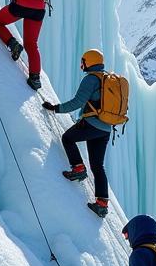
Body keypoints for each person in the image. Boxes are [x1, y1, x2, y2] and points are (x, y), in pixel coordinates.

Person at [40, 49, 112, 216]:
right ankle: (102, 203)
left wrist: (56, 108)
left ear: (90, 62)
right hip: (106, 128)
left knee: (67, 138)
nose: (82, 65)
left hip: (92, 124)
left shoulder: (91, 79)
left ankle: (78, 168)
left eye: (84, 62)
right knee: (98, 165)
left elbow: (78, 102)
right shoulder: (106, 78)